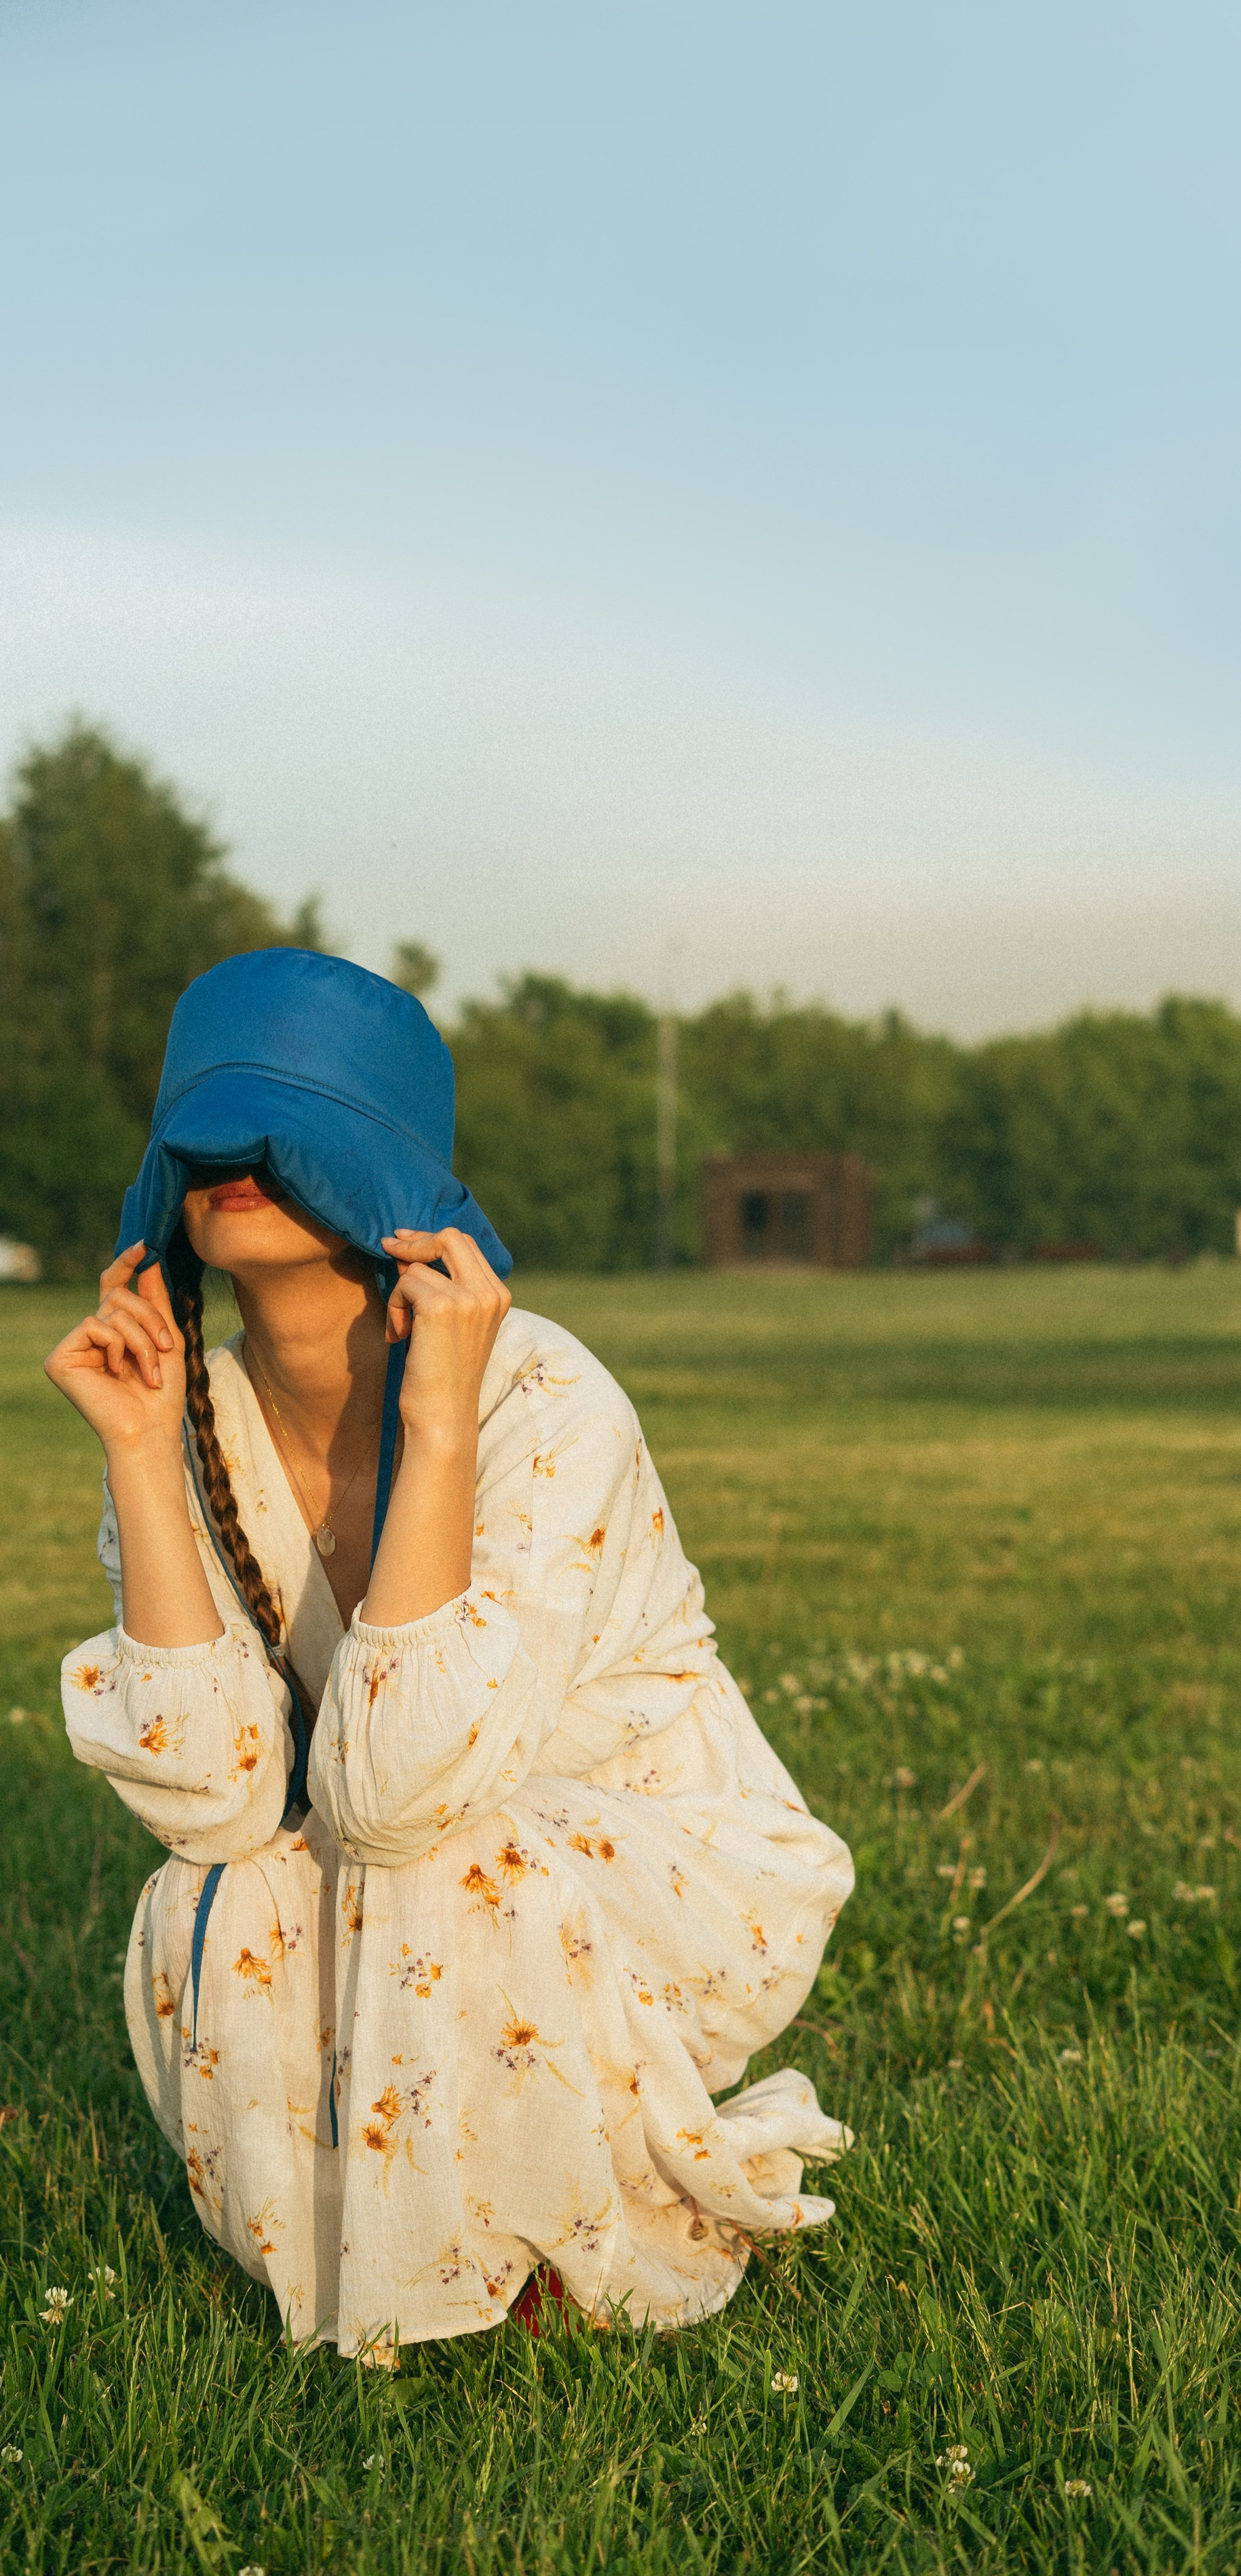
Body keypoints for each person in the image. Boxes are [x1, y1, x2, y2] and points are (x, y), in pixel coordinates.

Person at [47, 948, 852, 2365]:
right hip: (404, 1835)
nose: (237, 1161)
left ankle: (535, 2247)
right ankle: (374, 2246)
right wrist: (134, 1454)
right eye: (210, 1130)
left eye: (292, 1130)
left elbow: (405, 1786)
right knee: (218, 1885)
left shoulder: (539, 1393)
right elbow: (211, 1801)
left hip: (652, 1867)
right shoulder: (187, 1413)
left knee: (430, 1847)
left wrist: (434, 1419)